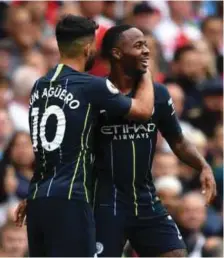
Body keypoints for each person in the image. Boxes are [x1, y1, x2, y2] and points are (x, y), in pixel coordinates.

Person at [15, 16, 154, 257]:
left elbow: (45, 150)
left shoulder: (39, 85)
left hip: (38, 199)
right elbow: (143, 110)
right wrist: (146, 71)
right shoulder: (91, 86)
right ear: (88, 48)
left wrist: (34, 196)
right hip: (70, 198)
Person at [92, 25, 216, 257]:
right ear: (117, 53)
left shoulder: (159, 94)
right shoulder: (96, 93)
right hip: (105, 202)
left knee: (176, 254)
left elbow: (178, 140)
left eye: (147, 45)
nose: (147, 51)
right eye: (138, 45)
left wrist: (203, 165)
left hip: (145, 197)